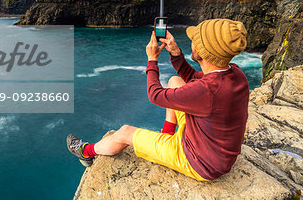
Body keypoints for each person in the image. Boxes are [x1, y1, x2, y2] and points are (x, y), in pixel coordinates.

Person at [67, 18, 249, 181]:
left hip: (200, 162)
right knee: (175, 82)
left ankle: (86, 152)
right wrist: (176, 54)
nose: (191, 42)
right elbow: (193, 80)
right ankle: (167, 133)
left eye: (194, 41)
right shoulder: (234, 73)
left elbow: (155, 95)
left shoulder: (207, 91)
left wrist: (152, 60)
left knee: (124, 133)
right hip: (212, 148)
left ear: (201, 50)